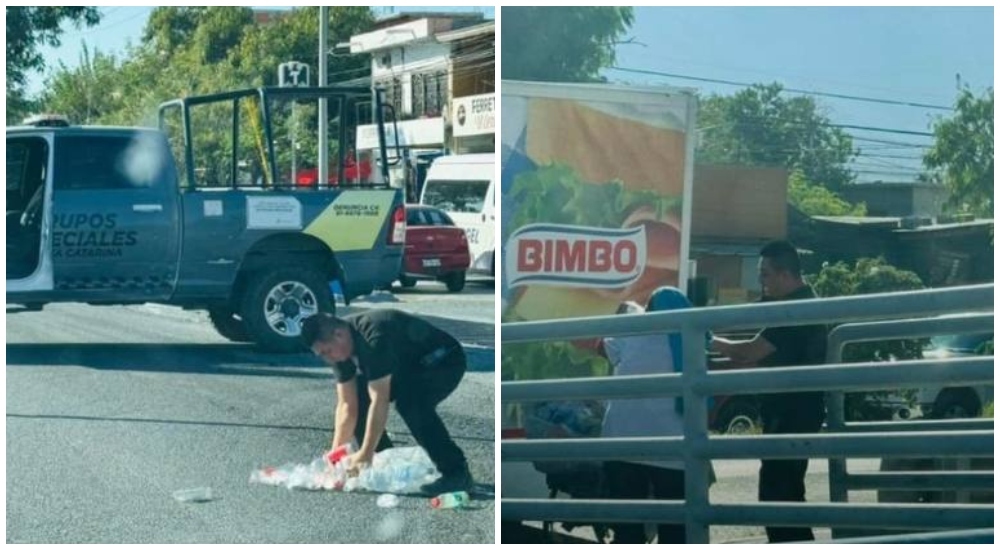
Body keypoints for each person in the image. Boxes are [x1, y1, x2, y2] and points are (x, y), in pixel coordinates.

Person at [709, 240, 827, 543]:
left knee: (779, 495)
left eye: (765, 275)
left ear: (785, 275)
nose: (760, 282)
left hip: (792, 414)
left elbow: (750, 351)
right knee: (784, 494)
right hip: (792, 412)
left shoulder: (795, 310)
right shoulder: (797, 303)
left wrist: (707, 340)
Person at [301, 309, 473, 495]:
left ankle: (456, 472)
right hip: (409, 365)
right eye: (322, 355)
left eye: (327, 351)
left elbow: (379, 400)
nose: (328, 358)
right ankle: (385, 463)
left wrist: (365, 454)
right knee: (359, 399)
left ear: (339, 335)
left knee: (411, 404)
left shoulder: (373, 337)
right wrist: (335, 457)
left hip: (443, 359)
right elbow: (347, 406)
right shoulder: (339, 348)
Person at [600, 287, 701, 544]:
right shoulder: (693, 339)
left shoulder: (633, 328)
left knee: (628, 528)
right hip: (673, 448)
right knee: (675, 527)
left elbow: (604, 349)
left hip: (622, 442)